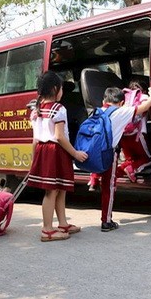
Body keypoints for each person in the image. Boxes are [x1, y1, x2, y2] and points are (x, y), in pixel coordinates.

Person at [27, 71, 88, 242]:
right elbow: (60, 136)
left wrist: (34, 160)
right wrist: (75, 153)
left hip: (42, 150)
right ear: (55, 89)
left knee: (59, 188)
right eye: (61, 88)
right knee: (51, 191)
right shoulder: (58, 109)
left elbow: (35, 139)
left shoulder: (35, 110)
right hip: (56, 151)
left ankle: (62, 223)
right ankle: (47, 229)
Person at [98, 86, 151, 232]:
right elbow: (143, 107)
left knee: (104, 182)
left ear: (104, 100)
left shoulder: (97, 111)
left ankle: (93, 177)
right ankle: (106, 221)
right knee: (109, 187)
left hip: (94, 153)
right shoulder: (121, 111)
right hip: (108, 154)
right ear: (122, 102)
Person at [117, 79, 151, 182]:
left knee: (131, 159)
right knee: (148, 160)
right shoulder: (143, 97)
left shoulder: (123, 98)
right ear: (144, 90)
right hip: (137, 136)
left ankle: (120, 169)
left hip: (123, 135)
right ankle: (131, 169)